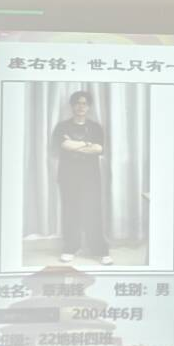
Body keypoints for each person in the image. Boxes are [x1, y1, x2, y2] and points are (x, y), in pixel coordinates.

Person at [50, 90, 111, 266]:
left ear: (89, 107)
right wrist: (87, 144)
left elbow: (99, 149)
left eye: (84, 103)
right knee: (70, 211)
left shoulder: (95, 127)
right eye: (77, 103)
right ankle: (70, 248)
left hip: (90, 176)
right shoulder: (62, 126)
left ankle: (99, 250)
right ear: (72, 106)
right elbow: (64, 145)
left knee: (93, 211)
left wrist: (75, 145)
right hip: (68, 175)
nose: (81, 106)